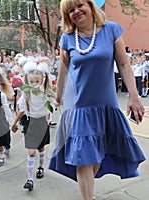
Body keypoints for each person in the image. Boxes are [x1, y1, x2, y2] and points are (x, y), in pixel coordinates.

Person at [48, 1, 146, 200]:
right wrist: (57, 95)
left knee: (98, 152)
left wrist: (134, 97)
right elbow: (63, 70)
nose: (76, 12)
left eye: (80, 5)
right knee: (84, 158)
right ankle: (88, 198)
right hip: (80, 105)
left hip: (106, 105)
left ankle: (88, 193)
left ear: (91, 6)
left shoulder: (111, 30)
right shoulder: (67, 39)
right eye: (70, 10)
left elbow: (124, 65)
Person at [11, 61, 54, 191]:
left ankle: (40, 167)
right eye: (31, 82)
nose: (34, 84)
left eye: (37, 81)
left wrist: (47, 119)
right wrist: (14, 122)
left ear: (42, 81)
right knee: (31, 152)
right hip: (30, 123)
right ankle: (30, 179)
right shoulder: (26, 94)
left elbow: (49, 109)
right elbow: (22, 110)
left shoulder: (45, 94)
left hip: (41, 123)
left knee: (40, 148)